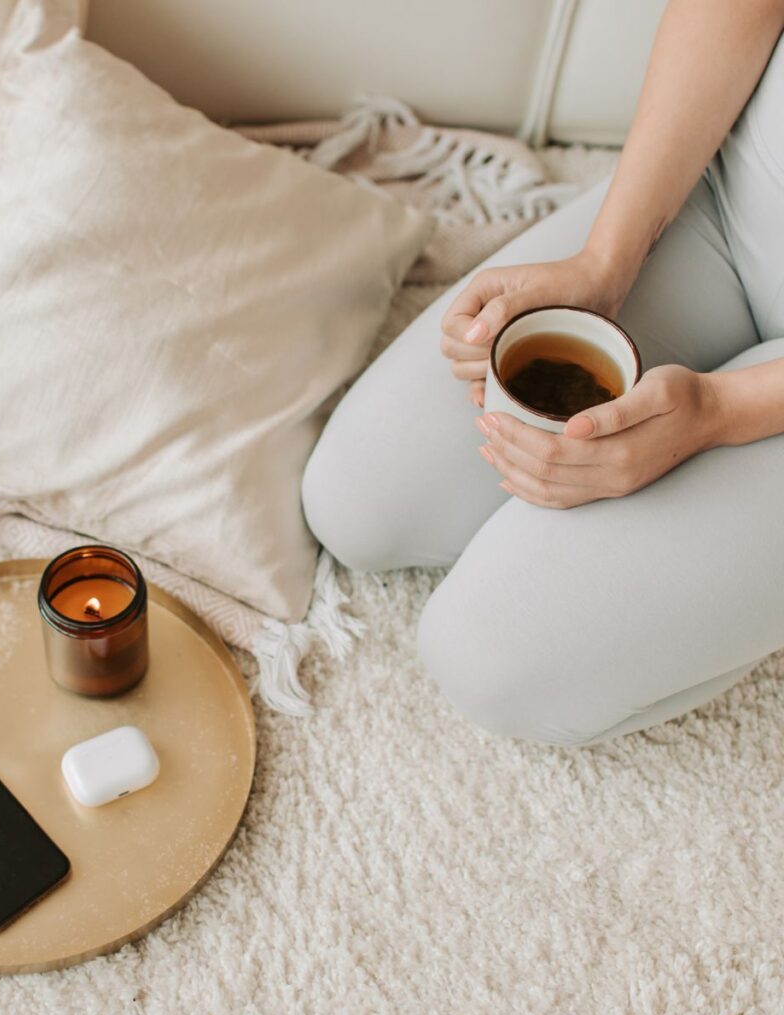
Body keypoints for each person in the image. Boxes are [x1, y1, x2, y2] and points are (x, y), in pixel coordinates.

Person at [300, 0, 784, 746]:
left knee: (488, 659)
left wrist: (720, 410)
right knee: (356, 503)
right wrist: (604, 262)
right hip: (733, 199)